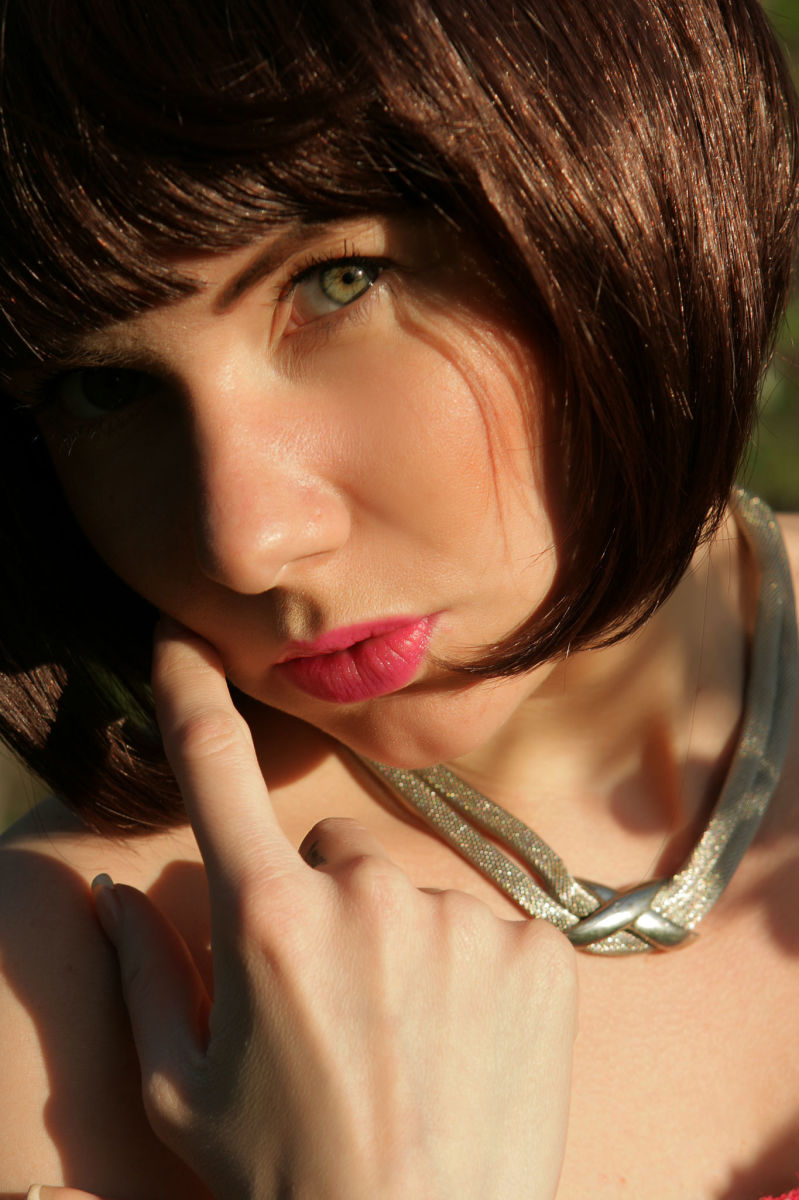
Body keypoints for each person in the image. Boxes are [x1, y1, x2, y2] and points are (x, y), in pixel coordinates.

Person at [0, 0, 798, 1196]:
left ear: (617, 161)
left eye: (339, 282)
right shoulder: (60, 1002)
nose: (248, 541)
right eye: (103, 391)